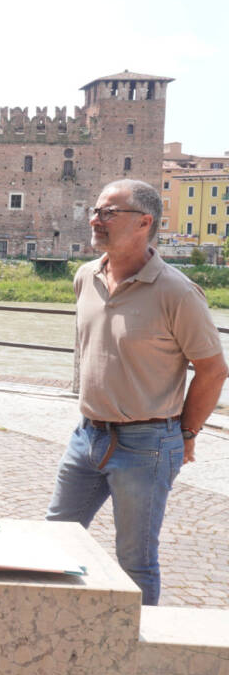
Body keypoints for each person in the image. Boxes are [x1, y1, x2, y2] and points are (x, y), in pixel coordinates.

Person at [46, 179, 226, 605]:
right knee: (53, 537)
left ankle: (136, 659)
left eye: (109, 212)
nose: (96, 219)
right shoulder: (85, 277)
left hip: (147, 444)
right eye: (96, 210)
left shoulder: (177, 292)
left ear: (144, 222)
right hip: (87, 435)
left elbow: (214, 370)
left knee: (135, 560)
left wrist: (187, 433)